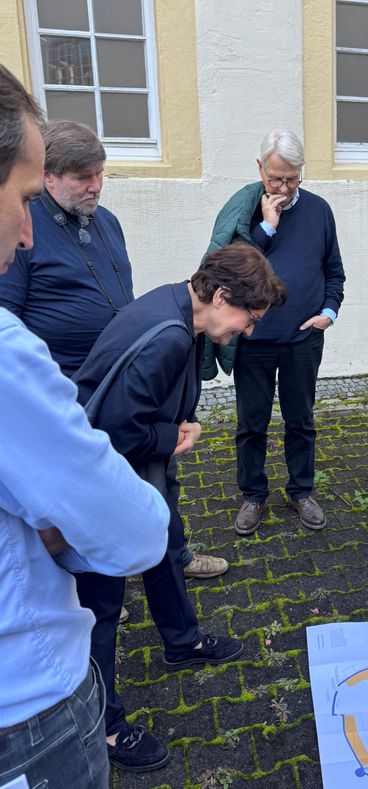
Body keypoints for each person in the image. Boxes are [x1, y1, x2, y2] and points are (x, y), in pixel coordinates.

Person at [0, 66, 169, 786]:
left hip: (89, 421)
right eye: (27, 195)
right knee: (104, 583)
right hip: (29, 704)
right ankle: (109, 715)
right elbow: (135, 533)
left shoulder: (109, 225)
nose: (27, 230)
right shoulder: (10, 356)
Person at [73, 243, 287, 771]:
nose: (249, 330)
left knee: (167, 545)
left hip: (135, 470)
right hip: (104, 479)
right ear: (219, 296)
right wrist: (174, 437)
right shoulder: (170, 336)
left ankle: (182, 643)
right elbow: (118, 429)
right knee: (100, 606)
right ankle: (103, 726)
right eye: (248, 317)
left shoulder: (177, 309)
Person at [0, 121, 224, 583]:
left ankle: (172, 555)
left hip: (126, 380)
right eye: (84, 177)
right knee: (81, 498)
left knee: (158, 476)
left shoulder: (108, 223)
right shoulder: (23, 229)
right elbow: (8, 323)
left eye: (100, 174)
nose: (96, 186)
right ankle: (91, 586)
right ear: (49, 176)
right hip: (68, 393)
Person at [202, 131, 345, 536]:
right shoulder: (243, 212)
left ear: (302, 172)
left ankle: (301, 490)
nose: (283, 188)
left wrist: (328, 313)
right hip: (252, 341)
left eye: (292, 179)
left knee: (301, 420)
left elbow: (334, 271)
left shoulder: (319, 211)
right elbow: (227, 272)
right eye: (275, 179)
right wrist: (266, 227)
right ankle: (252, 495)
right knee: (252, 423)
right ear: (260, 168)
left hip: (303, 338)